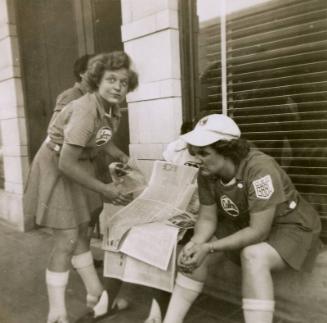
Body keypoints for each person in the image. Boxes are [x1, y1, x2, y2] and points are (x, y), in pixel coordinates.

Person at [162, 114, 322, 323]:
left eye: (204, 153)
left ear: (227, 150)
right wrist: (196, 244)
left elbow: (259, 231)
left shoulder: (260, 168)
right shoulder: (207, 172)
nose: (196, 158)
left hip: (291, 225)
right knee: (193, 251)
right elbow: (208, 219)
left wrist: (209, 248)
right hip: (246, 223)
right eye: (194, 152)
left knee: (253, 256)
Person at [24, 51, 138, 323]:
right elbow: (65, 163)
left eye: (123, 82)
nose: (117, 87)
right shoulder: (85, 108)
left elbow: (101, 140)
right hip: (59, 165)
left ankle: (94, 293)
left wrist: (122, 156)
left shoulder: (112, 108)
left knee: (82, 230)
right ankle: (57, 313)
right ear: (96, 81)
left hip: (79, 164)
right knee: (66, 239)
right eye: (111, 80)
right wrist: (105, 189)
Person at [144, 121, 200, 323]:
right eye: (187, 142)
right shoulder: (176, 149)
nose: (191, 149)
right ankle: (156, 310)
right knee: (160, 237)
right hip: (179, 210)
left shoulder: (213, 155)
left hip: (205, 215)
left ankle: (161, 311)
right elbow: (161, 184)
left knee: (172, 243)